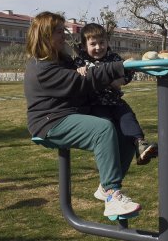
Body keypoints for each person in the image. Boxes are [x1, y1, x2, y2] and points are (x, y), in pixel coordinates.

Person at [24, 11, 140, 217]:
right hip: (51, 121)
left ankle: (106, 188)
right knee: (102, 130)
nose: (64, 36)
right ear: (45, 36)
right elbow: (84, 81)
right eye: (59, 32)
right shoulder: (41, 68)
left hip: (71, 113)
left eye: (63, 30)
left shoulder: (63, 59)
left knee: (127, 134)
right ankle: (113, 196)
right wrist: (121, 66)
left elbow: (88, 71)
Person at [73, 23, 158, 165]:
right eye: (93, 44)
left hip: (114, 100)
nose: (98, 47)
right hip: (95, 103)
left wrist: (120, 81)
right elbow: (75, 78)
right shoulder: (81, 61)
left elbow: (128, 72)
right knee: (107, 126)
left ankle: (140, 144)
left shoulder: (114, 58)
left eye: (102, 42)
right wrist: (79, 70)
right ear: (84, 46)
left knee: (128, 117)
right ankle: (109, 158)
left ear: (108, 42)